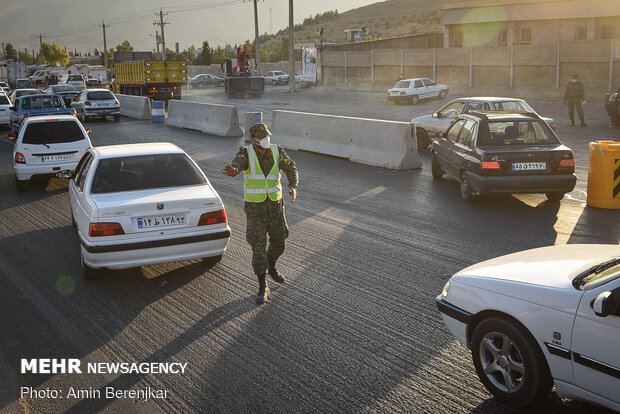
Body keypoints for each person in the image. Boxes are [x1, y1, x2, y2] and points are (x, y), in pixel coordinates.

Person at [223, 123, 298, 304]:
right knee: (258, 246)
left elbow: (291, 168)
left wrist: (293, 186)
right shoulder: (245, 152)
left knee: (280, 240)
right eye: (262, 137)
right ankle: (263, 286)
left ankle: (271, 266)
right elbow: (237, 164)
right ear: (254, 140)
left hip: (276, 207)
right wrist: (234, 171)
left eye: (267, 136)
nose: (266, 139)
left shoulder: (277, 151)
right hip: (255, 209)